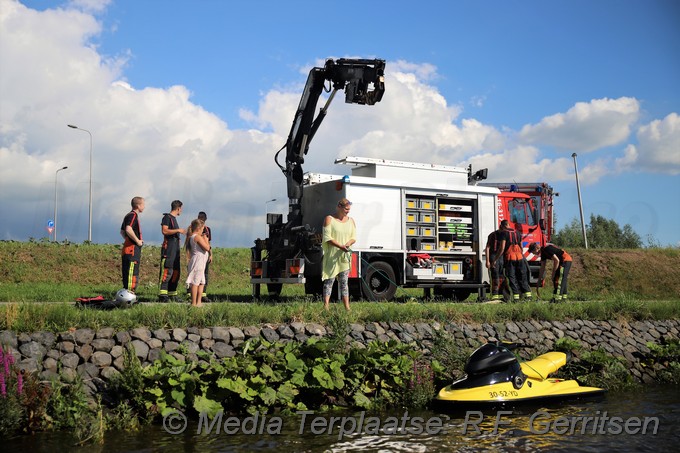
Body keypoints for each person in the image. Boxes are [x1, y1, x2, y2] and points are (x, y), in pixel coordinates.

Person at [322, 198, 356, 311]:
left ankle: (347, 307)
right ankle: (326, 306)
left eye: (349, 209)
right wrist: (340, 246)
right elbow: (327, 238)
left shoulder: (351, 221)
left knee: (344, 282)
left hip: (344, 257)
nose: (348, 211)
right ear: (339, 207)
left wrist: (348, 244)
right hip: (332, 256)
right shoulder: (329, 219)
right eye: (346, 209)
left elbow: (353, 237)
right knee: (329, 281)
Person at [494, 220, 532, 302]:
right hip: (520, 257)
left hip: (510, 258)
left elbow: (502, 248)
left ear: (503, 226)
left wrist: (496, 259)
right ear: (509, 224)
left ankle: (516, 298)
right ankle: (528, 296)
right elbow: (521, 246)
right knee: (522, 277)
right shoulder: (518, 233)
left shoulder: (504, 233)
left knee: (512, 278)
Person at [158, 200, 186, 302]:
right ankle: (162, 294)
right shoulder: (167, 218)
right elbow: (164, 230)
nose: (181, 211)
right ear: (178, 208)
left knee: (176, 271)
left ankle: (172, 294)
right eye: (181, 209)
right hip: (168, 249)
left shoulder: (174, 219)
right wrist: (178, 230)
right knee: (167, 270)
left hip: (176, 250)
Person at [120, 196, 144, 293]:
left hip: (127, 248)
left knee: (127, 272)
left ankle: (127, 294)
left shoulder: (128, 215)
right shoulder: (133, 215)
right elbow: (128, 229)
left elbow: (122, 232)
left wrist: (128, 240)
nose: (144, 206)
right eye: (143, 204)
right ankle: (130, 294)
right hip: (132, 249)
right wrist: (137, 241)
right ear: (138, 206)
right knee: (132, 273)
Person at [185, 218, 211, 307]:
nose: (203, 231)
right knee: (195, 282)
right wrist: (206, 240)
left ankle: (199, 302)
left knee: (201, 282)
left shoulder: (194, 236)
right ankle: (194, 303)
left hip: (201, 262)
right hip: (198, 262)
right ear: (199, 228)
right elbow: (207, 248)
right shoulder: (197, 237)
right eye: (203, 229)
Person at [484, 224, 505, 301]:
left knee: (502, 275)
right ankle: (495, 294)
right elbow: (488, 247)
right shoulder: (492, 235)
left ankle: (502, 293)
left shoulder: (505, 235)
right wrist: (487, 261)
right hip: (494, 255)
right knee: (495, 275)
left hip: (502, 256)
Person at [197, 211, 213, 302]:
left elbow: (208, 243)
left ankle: (203, 294)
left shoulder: (207, 229)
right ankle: (191, 293)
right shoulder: (193, 228)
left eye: (202, 217)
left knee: (205, 274)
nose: (201, 219)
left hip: (205, 254)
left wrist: (211, 254)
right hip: (197, 254)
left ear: (205, 219)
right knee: (196, 274)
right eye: (199, 217)